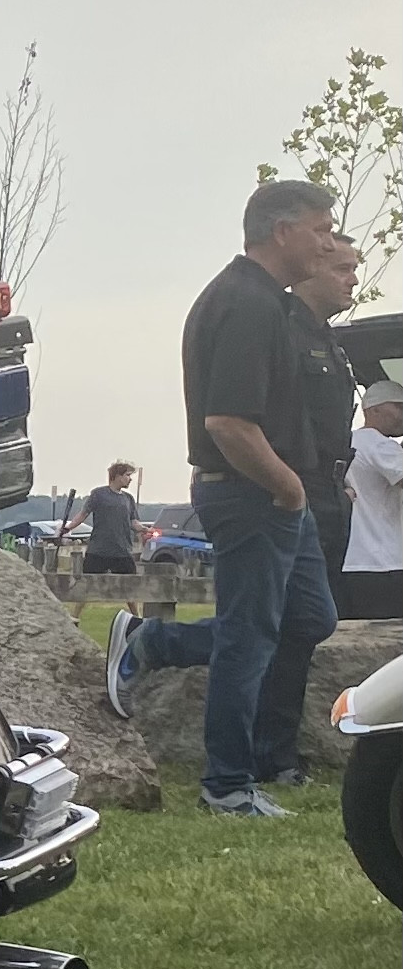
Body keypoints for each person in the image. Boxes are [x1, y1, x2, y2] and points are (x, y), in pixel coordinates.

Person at [102, 179, 339, 817]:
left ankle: (156, 644)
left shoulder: (265, 300)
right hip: (253, 495)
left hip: (277, 498)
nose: (328, 241)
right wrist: (288, 488)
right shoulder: (247, 303)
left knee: (309, 620)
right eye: (320, 228)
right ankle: (228, 787)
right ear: (282, 230)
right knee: (250, 638)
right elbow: (227, 423)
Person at [251, 233, 363, 780]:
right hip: (293, 487)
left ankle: (277, 751)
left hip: (328, 488)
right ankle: (272, 754)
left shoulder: (328, 339)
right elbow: (274, 420)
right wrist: (291, 484)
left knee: (311, 621)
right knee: (289, 623)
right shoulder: (285, 327)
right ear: (313, 266)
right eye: (343, 267)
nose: (352, 279)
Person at [343, 380, 403, 620]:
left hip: (350, 561)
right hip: (384, 561)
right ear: (374, 409)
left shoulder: (347, 442)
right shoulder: (380, 445)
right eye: (398, 407)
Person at [65, 462, 142, 573]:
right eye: (127, 475)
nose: (130, 479)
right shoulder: (98, 494)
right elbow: (83, 514)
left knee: (129, 584)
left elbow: (134, 522)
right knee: (89, 582)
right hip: (98, 550)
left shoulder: (128, 498)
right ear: (117, 476)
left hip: (122, 551)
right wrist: (69, 527)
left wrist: (145, 529)